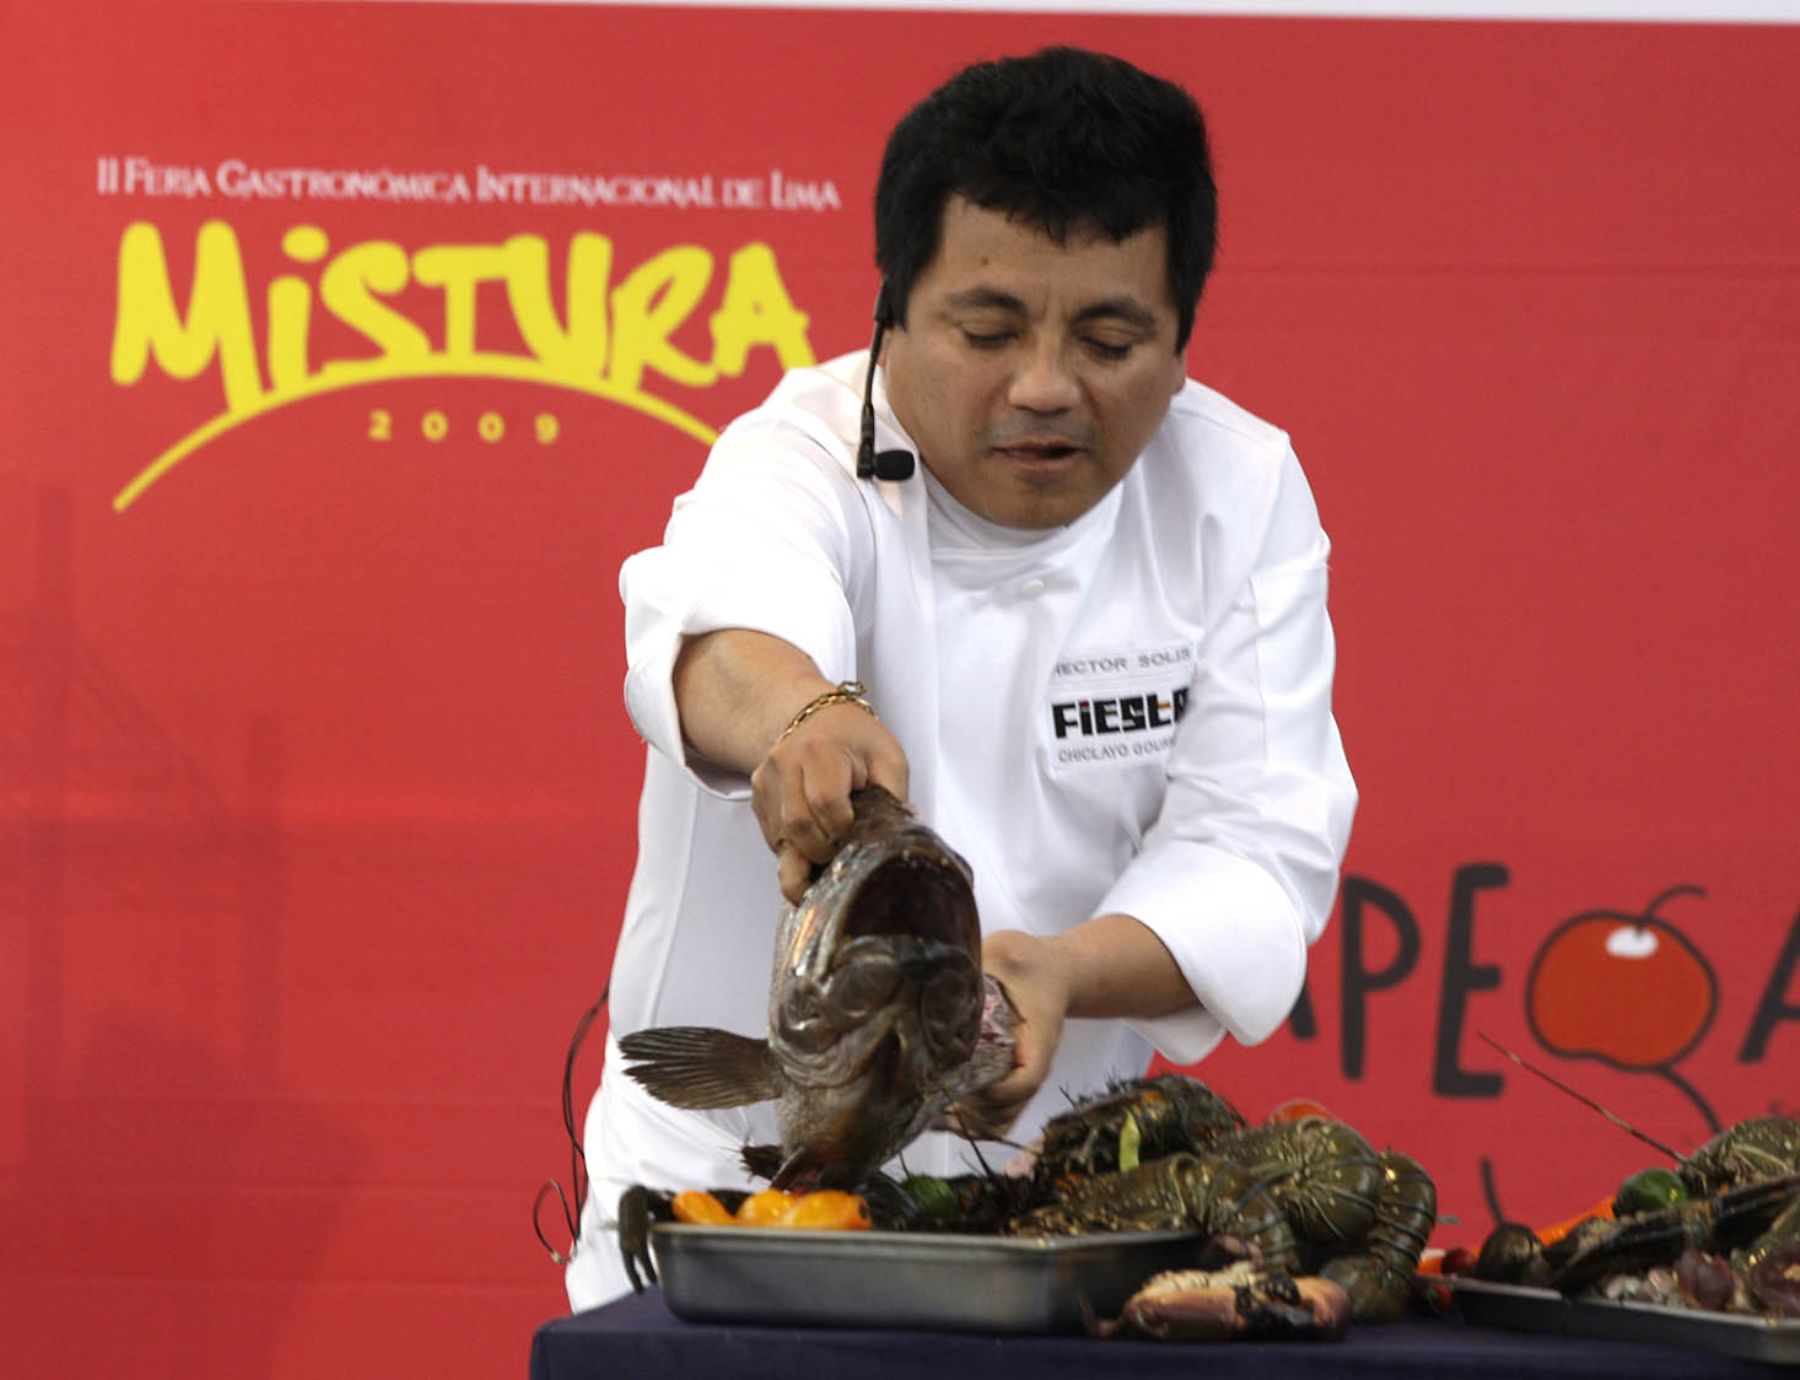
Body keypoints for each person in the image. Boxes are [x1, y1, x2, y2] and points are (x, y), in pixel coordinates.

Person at [564, 45, 1356, 1311]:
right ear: (892, 314)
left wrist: (1061, 972)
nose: (1044, 386)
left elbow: (1256, 849)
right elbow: (716, 634)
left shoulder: (1238, 492)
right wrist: (804, 720)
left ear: (1182, 339)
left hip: (1042, 1216)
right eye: (988, 330)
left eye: (1109, 337)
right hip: (727, 1211)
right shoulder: (800, 453)